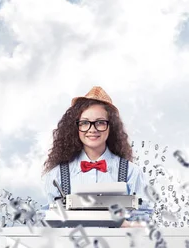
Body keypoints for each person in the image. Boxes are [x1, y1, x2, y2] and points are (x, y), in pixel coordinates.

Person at [41, 86, 150, 227]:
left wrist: (129, 224)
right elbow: (47, 222)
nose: (92, 129)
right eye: (85, 123)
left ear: (111, 127)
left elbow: (144, 220)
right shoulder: (56, 176)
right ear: (76, 127)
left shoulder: (131, 172)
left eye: (100, 122)